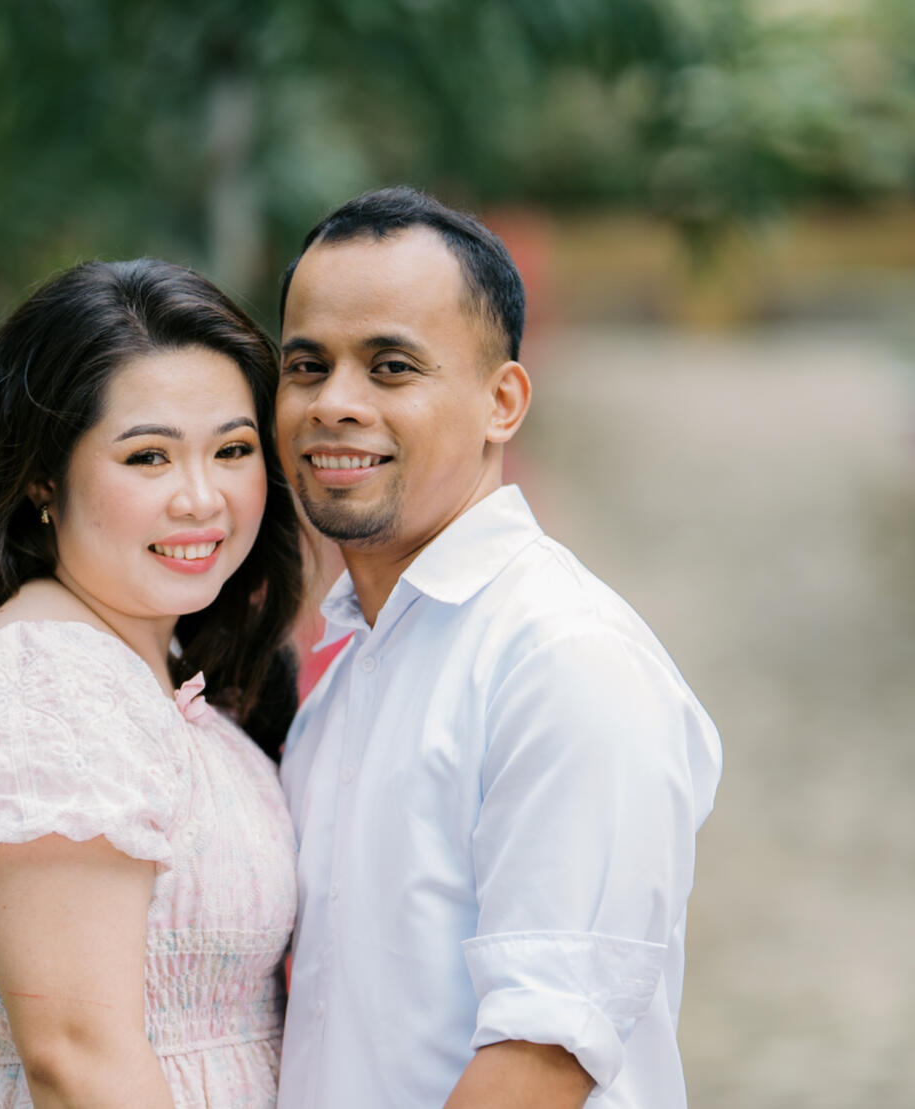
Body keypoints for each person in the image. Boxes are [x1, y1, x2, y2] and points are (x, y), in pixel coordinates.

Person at [273, 187, 723, 1109]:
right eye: (308, 366)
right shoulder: (349, 675)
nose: (335, 403)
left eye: (391, 367)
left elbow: (542, 1054)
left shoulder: (562, 659)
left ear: (502, 401)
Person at [0, 258, 304, 1108]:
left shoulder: (146, 669)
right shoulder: (43, 686)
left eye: (233, 450)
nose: (203, 498)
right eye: (149, 456)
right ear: (44, 477)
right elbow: (79, 1059)